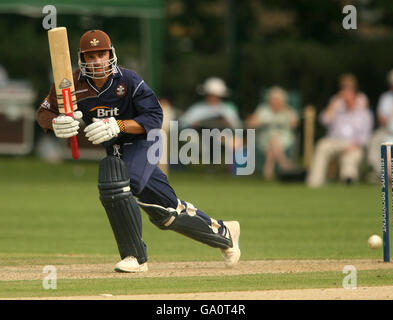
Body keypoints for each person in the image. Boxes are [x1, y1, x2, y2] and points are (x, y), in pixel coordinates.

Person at [36, 30, 240, 273]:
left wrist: (119, 124)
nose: (98, 61)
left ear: (111, 54)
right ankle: (225, 233)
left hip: (144, 142)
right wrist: (56, 123)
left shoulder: (129, 81)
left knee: (119, 185)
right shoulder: (72, 83)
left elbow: (154, 117)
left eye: (102, 54)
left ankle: (135, 256)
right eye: (91, 56)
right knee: (165, 212)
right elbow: (44, 112)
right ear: (83, 59)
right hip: (116, 150)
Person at [306, 74, 374, 187]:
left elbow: (365, 137)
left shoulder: (364, 112)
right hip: (335, 141)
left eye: (349, 90)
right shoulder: (337, 104)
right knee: (322, 146)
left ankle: (348, 180)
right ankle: (314, 181)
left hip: (353, 144)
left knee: (351, 156)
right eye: (344, 89)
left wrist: (353, 145)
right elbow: (324, 120)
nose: (346, 93)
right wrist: (333, 104)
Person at [246, 86, 299, 180]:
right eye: (273, 100)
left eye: (278, 100)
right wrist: (259, 123)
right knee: (273, 139)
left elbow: (294, 125)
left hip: (285, 140)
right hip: (264, 140)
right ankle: (285, 165)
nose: (275, 102)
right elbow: (250, 124)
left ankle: (268, 169)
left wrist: (287, 111)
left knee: (274, 140)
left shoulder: (288, 111)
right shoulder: (263, 110)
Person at [367, 68, 393, 179]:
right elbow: (381, 119)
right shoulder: (386, 98)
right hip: (388, 131)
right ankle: (379, 173)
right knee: (376, 140)